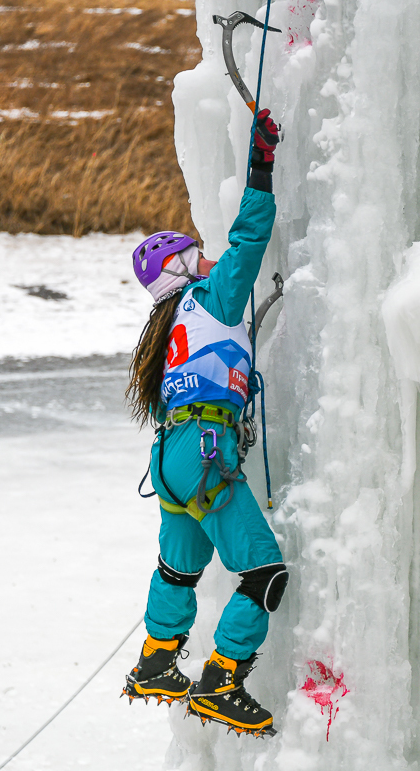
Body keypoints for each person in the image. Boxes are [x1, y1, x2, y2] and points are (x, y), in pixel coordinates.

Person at [120, 110, 286, 737]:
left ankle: (158, 661)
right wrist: (261, 168)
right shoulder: (211, 298)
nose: (208, 256)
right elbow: (247, 240)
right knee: (264, 572)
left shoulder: (166, 333)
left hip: (171, 461)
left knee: (178, 570)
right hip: (203, 453)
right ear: (185, 271)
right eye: (197, 254)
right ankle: (222, 680)